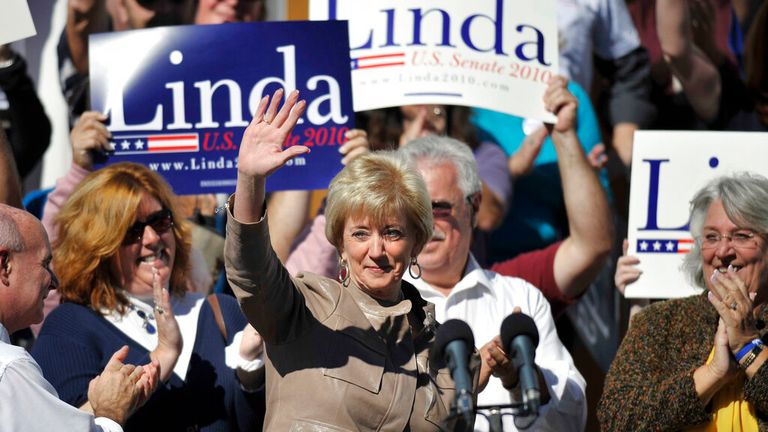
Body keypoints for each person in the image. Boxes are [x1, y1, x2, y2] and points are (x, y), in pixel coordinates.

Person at [225, 89, 477, 430]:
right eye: (360, 234)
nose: (376, 250)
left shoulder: (447, 350)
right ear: (339, 245)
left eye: (392, 233)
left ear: (416, 242)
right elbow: (252, 272)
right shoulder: (305, 309)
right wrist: (250, 181)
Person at [286, 77, 614, 319]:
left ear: (472, 207)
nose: (422, 223)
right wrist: (360, 186)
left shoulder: (513, 293)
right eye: (404, 212)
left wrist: (565, 135)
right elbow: (291, 294)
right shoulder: (354, 306)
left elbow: (591, 247)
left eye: (438, 207)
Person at [31, 162, 266, 431]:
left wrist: (251, 373)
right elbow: (63, 424)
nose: (152, 238)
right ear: (98, 246)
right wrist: (161, 357)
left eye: (160, 221)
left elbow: (256, 423)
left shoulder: (222, 311)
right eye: (133, 230)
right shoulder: (70, 326)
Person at [599, 173, 768, 430]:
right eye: (712, 237)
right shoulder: (659, 321)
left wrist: (748, 349)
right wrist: (712, 375)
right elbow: (615, 420)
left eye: (742, 236)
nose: (723, 252)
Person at [0, 203, 158, 431]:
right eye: (45, 264)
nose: (54, 282)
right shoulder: (10, 370)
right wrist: (111, 412)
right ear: (5, 265)